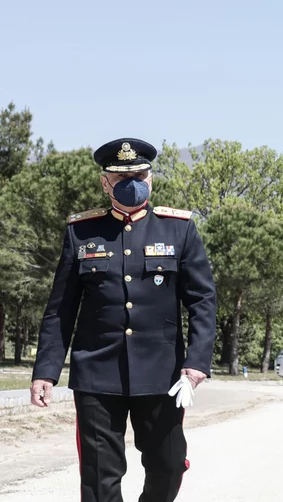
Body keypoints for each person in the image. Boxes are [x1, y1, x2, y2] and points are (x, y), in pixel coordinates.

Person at [30, 138, 217, 502]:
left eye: (140, 175)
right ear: (105, 183)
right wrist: (45, 372)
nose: (132, 183)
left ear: (151, 178)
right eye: (121, 177)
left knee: (169, 463)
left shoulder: (178, 229)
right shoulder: (81, 232)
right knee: (100, 476)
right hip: (97, 371)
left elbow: (202, 300)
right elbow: (61, 309)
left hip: (162, 373)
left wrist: (196, 362)